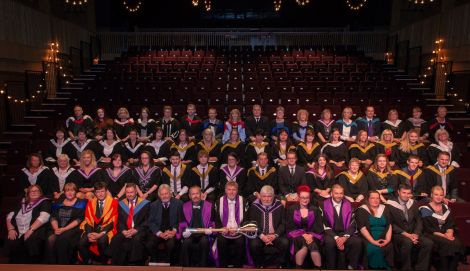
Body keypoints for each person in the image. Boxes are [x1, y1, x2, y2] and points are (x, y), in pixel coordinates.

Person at [386, 184, 433, 271]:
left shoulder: (413, 203)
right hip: (398, 234)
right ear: (398, 192)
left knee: (428, 243)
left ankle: (421, 268)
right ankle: (406, 268)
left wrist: (416, 234)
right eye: (404, 193)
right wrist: (407, 235)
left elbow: (419, 220)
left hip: (413, 233)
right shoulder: (390, 204)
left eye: (408, 193)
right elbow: (390, 223)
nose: (406, 195)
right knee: (407, 242)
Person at [420, 186, 464, 271]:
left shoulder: (446, 208)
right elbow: (428, 228)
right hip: (431, 234)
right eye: (436, 194)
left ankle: (452, 268)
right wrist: (445, 236)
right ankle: (444, 268)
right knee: (446, 243)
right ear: (431, 195)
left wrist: (449, 232)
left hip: (446, 233)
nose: (439, 197)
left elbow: (450, 223)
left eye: (441, 195)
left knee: (458, 243)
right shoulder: (424, 209)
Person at [5, 185, 51, 263]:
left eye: (37, 191)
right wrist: (11, 229)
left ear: (40, 193)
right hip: (18, 229)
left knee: (31, 240)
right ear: (28, 193)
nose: (34, 192)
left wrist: (31, 230)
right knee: (11, 241)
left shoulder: (44, 202)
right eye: (32, 191)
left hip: (35, 229)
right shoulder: (22, 202)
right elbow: (10, 216)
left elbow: (44, 217)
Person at [321, 184, 362, 269]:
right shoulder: (323, 205)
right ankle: (331, 268)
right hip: (331, 233)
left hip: (345, 232)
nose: (339, 196)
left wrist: (344, 237)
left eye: (341, 193)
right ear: (331, 193)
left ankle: (351, 267)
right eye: (336, 193)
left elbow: (353, 224)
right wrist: (336, 237)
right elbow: (324, 225)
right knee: (330, 242)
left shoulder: (349, 205)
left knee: (357, 241)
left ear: (343, 194)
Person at [248, 185, 289, 268]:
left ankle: (280, 265)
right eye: (264, 196)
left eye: (269, 196)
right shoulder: (254, 206)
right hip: (260, 235)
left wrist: (275, 235)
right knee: (254, 244)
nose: (266, 199)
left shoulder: (279, 206)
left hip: (275, 235)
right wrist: (262, 236)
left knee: (285, 243)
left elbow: (283, 223)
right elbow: (252, 224)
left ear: (273, 196)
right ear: (260, 196)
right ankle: (259, 265)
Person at [45, 183, 86, 264]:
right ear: (64, 192)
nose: (70, 193)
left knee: (62, 239)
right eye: (67, 191)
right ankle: (52, 265)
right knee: (50, 239)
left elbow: (79, 219)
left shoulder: (81, 203)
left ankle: (63, 264)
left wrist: (64, 229)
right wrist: (56, 228)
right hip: (57, 227)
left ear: (76, 192)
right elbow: (53, 217)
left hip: (73, 228)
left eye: (72, 190)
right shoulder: (58, 202)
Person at [110, 183, 150, 265]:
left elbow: (147, 221)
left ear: (136, 192)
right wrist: (124, 231)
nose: (129, 194)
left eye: (131, 192)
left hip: (140, 230)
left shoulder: (145, 203)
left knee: (136, 240)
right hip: (126, 230)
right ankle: (118, 265)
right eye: (127, 192)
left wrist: (136, 230)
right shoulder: (121, 204)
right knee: (115, 239)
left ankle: (135, 264)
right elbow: (119, 221)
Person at [78, 182, 118, 264]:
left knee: (102, 241)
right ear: (95, 193)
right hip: (92, 229)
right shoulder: (90, 203)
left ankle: (104, 263)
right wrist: (89, 233)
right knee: (81, 243)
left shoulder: (113, 203)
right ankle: (88, 262)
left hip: (106, 230)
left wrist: (102, 233)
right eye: (98, 192)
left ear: (106, 191)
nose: (100, 194)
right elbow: (87, 219)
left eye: (102, 191)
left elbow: (113, 221)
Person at [286, 185, 324, 269]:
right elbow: (290, 227)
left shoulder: (315, 210)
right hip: (296, 235)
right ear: (299, 197)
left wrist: (310, 235)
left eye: (307, 197)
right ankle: (299, 268)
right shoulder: (292, 209)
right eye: (302, 197)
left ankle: (317, 268)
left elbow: (319, 227)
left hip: (313, 235)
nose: (305, 200)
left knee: (311, 243)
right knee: (305, 244)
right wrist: (304, 235)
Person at [179, 186, 217, 267]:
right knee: (186, 243)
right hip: (190, 234)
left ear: (201, 194)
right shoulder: (184, 206)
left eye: (197, 193)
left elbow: (213, 222)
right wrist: (184, 231)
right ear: (189, 196)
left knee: (204, 242)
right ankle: (186, 268)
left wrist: (210, 229)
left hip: (204, 234)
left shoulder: (209, 206)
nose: (195, 196)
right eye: (193, 194)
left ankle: (203, 267)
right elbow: (182, 223)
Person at [355, 190, 394, 270]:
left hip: (383, 235)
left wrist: (387, 240)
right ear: (368, 199)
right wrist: (373, 241)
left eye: (377, 198)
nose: (375, 200)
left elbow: (389, 225)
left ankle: (386, 267)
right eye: (372, 198)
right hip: (368, 237)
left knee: (388, 246)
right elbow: (362, 228)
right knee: (374, 248)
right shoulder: (362, 210)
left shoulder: (385, 209)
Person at [147, 184, 182, 264]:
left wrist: (174, 231)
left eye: (166, 193)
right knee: (149, 244)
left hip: (172, 232)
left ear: (170, 193)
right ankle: (155, 262)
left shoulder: (178, 203)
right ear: (159, 195)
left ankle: (168, 263)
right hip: (159, 232)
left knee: (171, 244)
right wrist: (159, 233)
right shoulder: (154, 205)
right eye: (162, 194)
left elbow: (181, 220)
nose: (164, 196)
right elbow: (151, 222)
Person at [215, 181, 247, 267]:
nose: (231, 192)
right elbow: (216, 219)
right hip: (224, 230)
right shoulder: (219, 201)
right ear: (225, 190)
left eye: (234, 190)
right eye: (229, 189)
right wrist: (221, 228)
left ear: (237, 191)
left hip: (239, 230)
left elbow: (247, 218)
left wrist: (239, 229)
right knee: (221, 241)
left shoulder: (243, 201)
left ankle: (237, 267)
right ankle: (223, 267)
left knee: (240, 242)